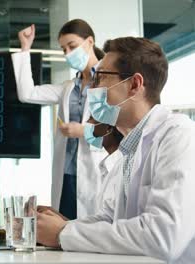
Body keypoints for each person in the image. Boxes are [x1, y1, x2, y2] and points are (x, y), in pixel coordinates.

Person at [36, 37, 195, 264]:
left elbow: (163, 236)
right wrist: (61, 226)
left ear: (134, 85)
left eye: (100, 77)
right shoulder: (129, 149)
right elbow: (111, 221)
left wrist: (63, 233)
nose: (92, 87)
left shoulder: (179, 136)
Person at [12, 19, 106, 219]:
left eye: (72, 46)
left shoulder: (109, 81)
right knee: (63, 236)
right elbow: (27, 93)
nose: (68, 53)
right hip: (67, 176)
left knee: (90, 237)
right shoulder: (68, 87)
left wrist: (83, 131)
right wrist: (25, 48)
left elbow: (116, 131)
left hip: (95, 175)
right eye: (64, 49)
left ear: (89, 42)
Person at [38, 117, 123, 219]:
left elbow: (107, 228)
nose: (87, 123)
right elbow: (101, 224)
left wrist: (62, 226)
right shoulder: (109, 166)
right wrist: (61, 221)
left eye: (92, 118)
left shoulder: (120, 171)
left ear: (108, 129)